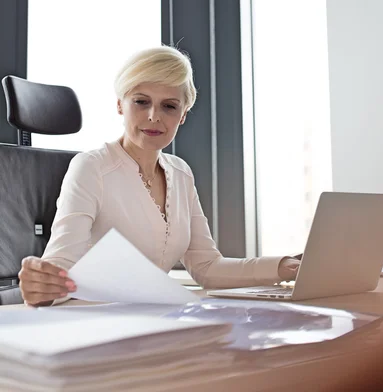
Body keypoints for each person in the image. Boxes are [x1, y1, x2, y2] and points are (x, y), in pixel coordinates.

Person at [19, 46, 300, 307]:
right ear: (120, 105)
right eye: (141, 102)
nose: (154, 116)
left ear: (183, 115)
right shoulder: (92, 168)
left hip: (154, 319)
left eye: (169, 106)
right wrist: (41, 283)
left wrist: (282, 267)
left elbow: (206, 267)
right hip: (94, 320)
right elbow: (60, 263)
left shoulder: (180, 173)